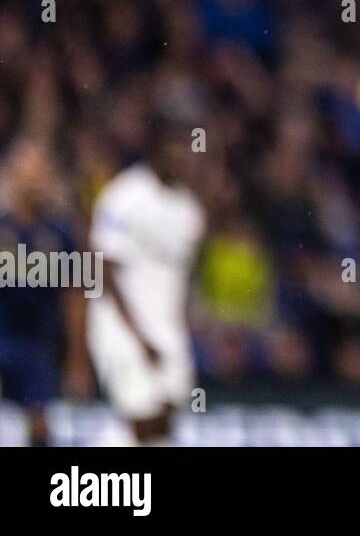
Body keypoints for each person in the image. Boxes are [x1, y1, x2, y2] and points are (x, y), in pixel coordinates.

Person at [87, 114, 206, 444]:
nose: (182, 157)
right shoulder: (124, 196)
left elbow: (183, 279)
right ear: (156, 150)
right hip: (121, 325)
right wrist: (138, 337)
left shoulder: (190, 211)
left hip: (167, 327)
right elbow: (102, 270)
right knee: (144, 417)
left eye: (187, 150)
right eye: (174, 148)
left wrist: (181, 327)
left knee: (166, 419)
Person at [0, 140, 89, 446]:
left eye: (43, 172)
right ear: (12, 175)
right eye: (30, 172)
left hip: (39, 345)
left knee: (39, 428)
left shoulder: (62, 234)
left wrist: (78, 359)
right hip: (2, 337)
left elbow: (75, 297)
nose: (37, 180)